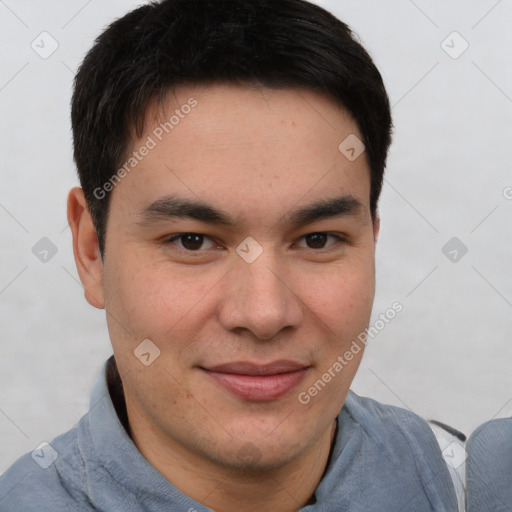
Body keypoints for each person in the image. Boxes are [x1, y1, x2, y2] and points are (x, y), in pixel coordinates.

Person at [0, 0, 461, 510]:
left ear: (371, 239)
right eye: (192, 241)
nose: (264, 314)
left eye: (317, 239)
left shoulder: (469, 486)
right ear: (92, 251)